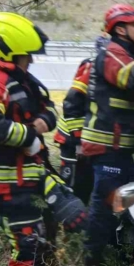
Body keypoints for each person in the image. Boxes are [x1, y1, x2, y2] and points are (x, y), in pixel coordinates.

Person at [0, 12, 86, 266]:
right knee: (26, 245)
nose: (31, 60)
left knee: (48, 236)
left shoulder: (22, 80)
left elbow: (49, 109)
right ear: (8, 51)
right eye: (26, 55)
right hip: (8, 184)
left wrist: (40, 123)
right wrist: (28, 135)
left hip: (32, 175)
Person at [81, 5, 134, 266]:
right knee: (106, 205)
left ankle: (116, 256)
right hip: (107, 147)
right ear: (120, 29)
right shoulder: (111, 53)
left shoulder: (122, 55)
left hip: (118, 150)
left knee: (128, 200)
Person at [54, 36, 109, 204]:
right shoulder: (91, 69)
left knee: (90, 184)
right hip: (73, 140)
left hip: (93, 140)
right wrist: (79, 142)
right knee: (75, 187)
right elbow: (71, 105)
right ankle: (68, 217)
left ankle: (84, 216)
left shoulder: (116, 72)